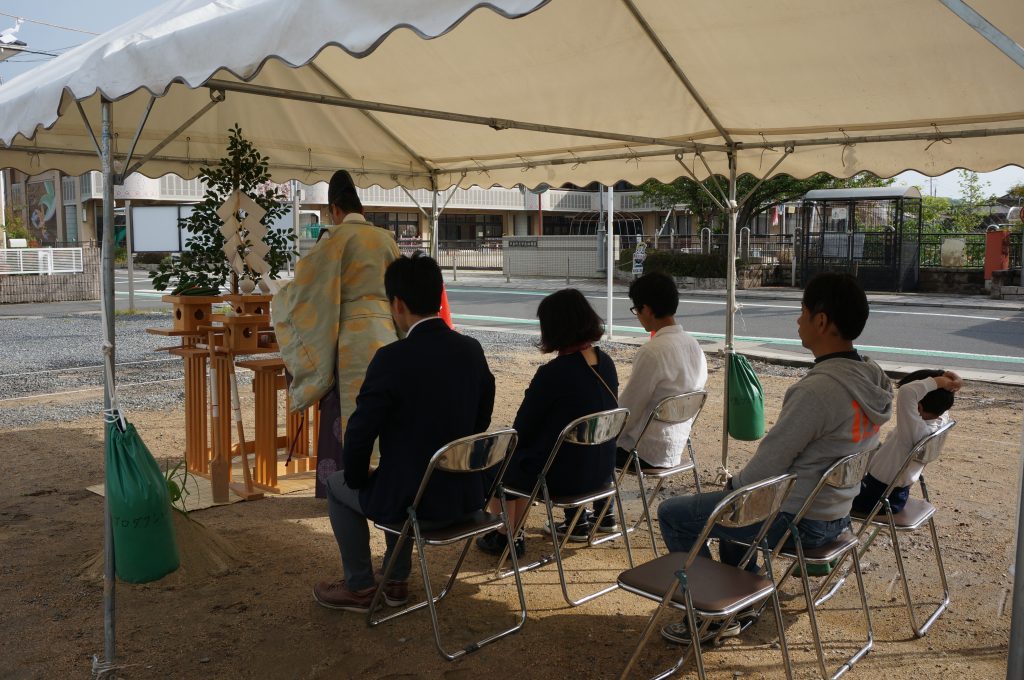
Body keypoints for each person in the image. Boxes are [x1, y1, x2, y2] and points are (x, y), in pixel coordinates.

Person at [657, 272, 893, 644]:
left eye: (802, 313)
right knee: (742, 509)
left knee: (678, 514)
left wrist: (734, 489)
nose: (797, 321)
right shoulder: (872, 377)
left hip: (801, 521)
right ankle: (745, 598)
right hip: (837, 512)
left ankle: (710, 615)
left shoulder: (818, 390)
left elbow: (770, 462)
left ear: (821, 321)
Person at [313, 253, 496, 612]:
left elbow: (360, 433)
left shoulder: (391, 358)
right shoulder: (471, 349)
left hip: (417, 502)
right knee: (400, 474)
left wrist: (356, 477)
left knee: (343, 485)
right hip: (466, 495)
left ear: (397, 304)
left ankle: (361, 587)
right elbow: (483, 418)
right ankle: (395, 581)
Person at [272, 169, 400, 497]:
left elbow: (308, 291)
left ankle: (343, 488)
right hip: (386, 335)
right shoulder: (386, 239)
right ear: (362, 209)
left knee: (345, 414)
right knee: (386, 410)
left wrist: (281, 298)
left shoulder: (335, 239)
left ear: (335, 210)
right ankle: (387, 479)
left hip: (350, 342)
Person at [475, 288, 619, 557]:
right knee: (522, 459)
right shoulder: (606, 363)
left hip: (562, 479)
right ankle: (511, 533)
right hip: (602, 473)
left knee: (498, 460)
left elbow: (522, 429)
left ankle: (507, 535)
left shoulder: (553, 373)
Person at [618, 271, 708, 470]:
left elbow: (629, 410)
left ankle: (604, 503)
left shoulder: (652, 352)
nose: (638, 317)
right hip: (675, 446)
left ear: (647, 309)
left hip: (642, 451)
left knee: (589, 450)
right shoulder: (695, 346)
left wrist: (607, 435)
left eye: (636, 310)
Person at [852, 369, 962, 515]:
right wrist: (950, 384)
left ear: (918, 407)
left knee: (824, 494)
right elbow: (939, 400)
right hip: (895, 496)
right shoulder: (940, 421)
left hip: (874, 498)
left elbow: (907, 391)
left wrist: (940, 382)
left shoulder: (914, 430)